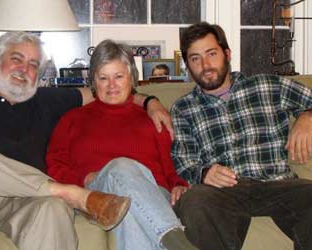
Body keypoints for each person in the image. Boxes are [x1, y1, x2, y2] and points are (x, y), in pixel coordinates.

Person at [0, 32, 172, 250]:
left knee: (53, 209)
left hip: (25, 204)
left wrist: (149, 101)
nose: (25, 69)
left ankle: (59, 193)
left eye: (33, 64)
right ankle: (67, 192)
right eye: (16, 59)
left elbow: (108, 91)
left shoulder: (46, 101)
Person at [171, 22, 312, 250]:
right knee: (194, 201)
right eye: (195, 58)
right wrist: (204, 173)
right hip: (224, 190)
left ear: (227, 54)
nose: (205, 65)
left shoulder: (267, 85)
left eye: (211, 54)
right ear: (187, 65)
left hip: (276, 182)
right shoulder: (183, 109)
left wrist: (307, 116)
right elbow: (183, 161)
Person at [46, 39, 199, 250]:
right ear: (93, 81)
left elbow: (169, 167)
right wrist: (82, 178)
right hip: (95, 195)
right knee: (121, 167)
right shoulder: (71, 119)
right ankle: (178, 243)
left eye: (118, 76)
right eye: (103, 78)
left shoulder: (153, 118)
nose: (111, 85)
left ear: (131, 77)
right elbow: (54, 165)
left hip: (151, 194)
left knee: (127, 211)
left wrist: (178, 185)